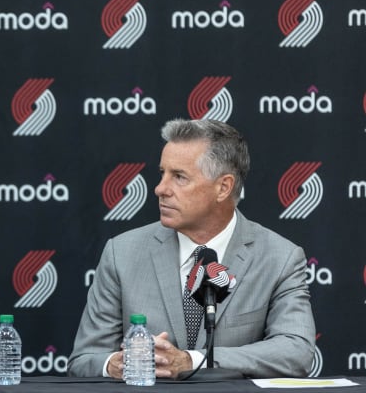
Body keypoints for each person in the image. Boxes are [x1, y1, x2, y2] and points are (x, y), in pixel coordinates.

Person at [68, 118, 316, 379]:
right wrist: (115, 364)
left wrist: (192, 361)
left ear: (223, 187)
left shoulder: (280, 258)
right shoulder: (122, 253)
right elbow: (84, 360)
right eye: (162, 173)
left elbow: (295, 352)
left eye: (179, 177)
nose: (160, 189)